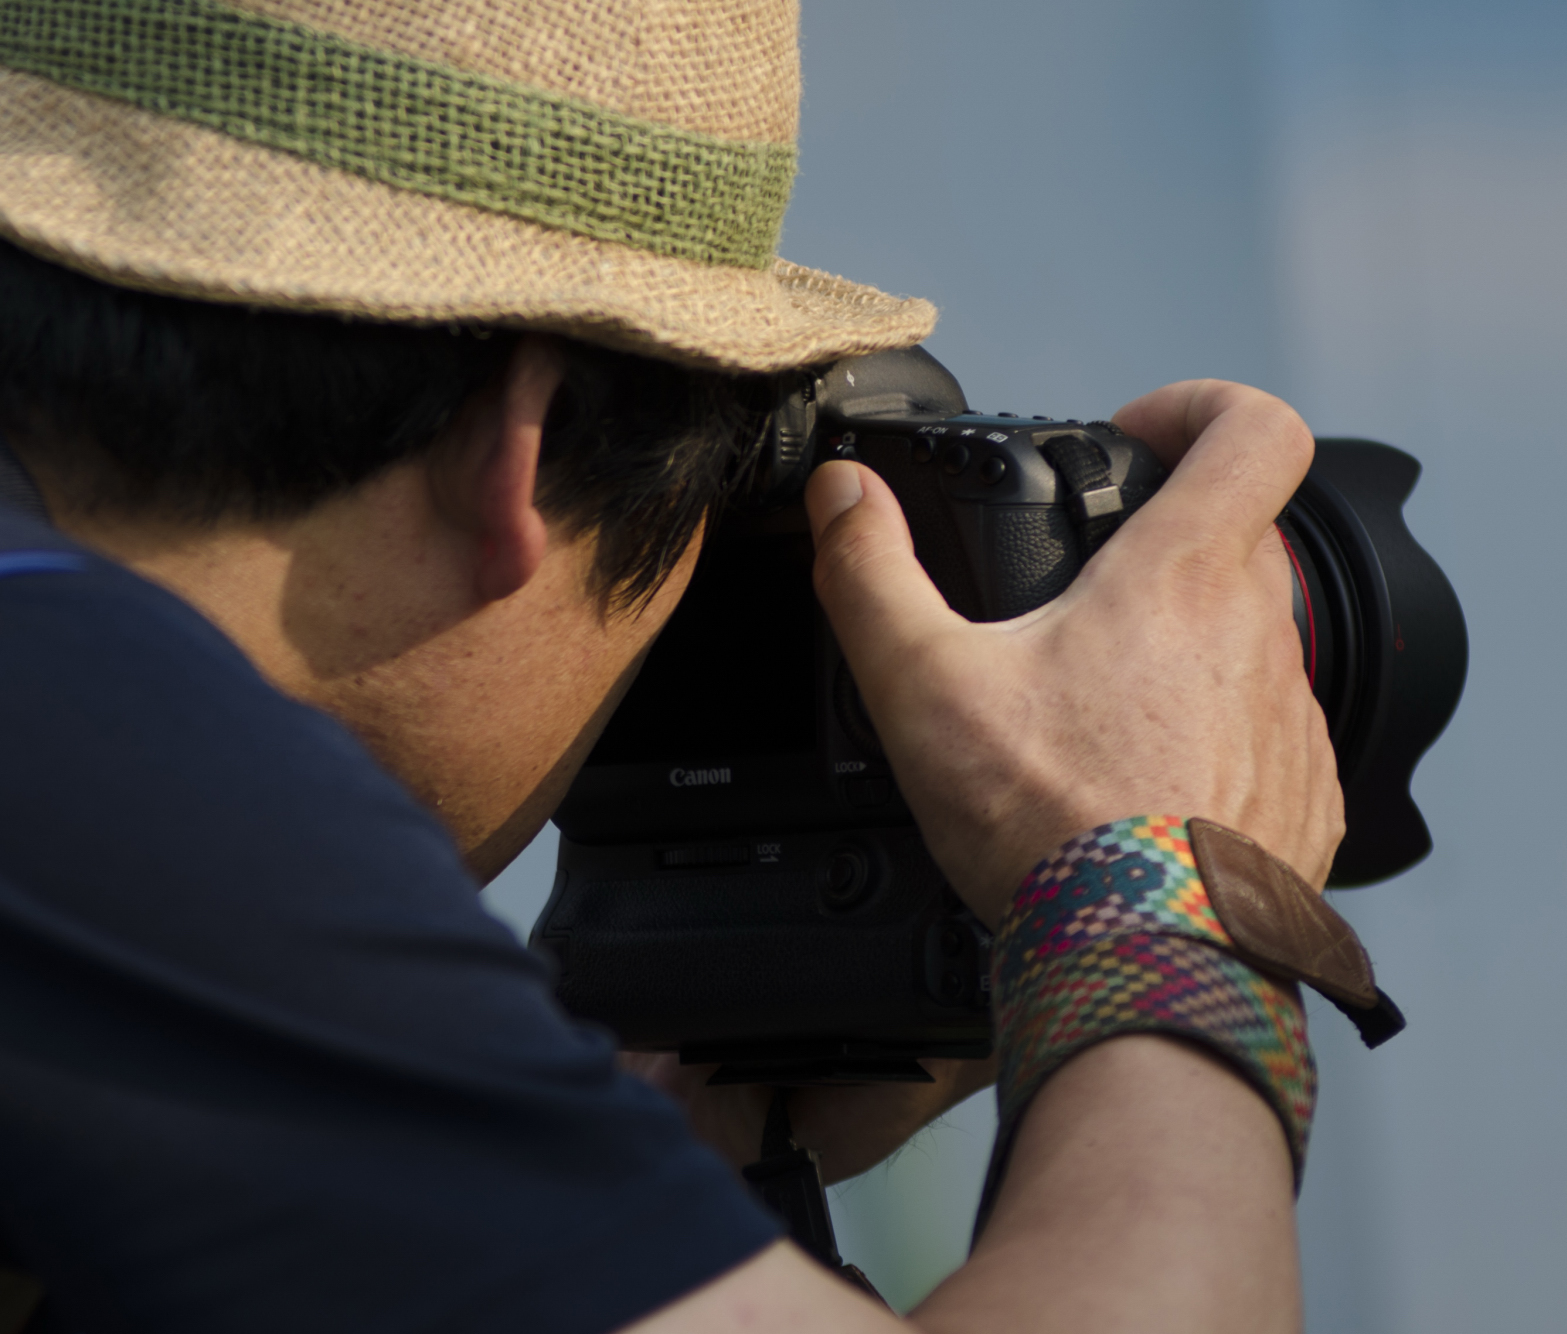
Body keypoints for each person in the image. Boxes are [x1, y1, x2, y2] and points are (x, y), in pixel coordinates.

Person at [0, 2, 1390, 1331]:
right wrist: (1161, 891)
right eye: (701, 507)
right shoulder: (123, 762)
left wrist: (597, 1188)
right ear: (527, 447)